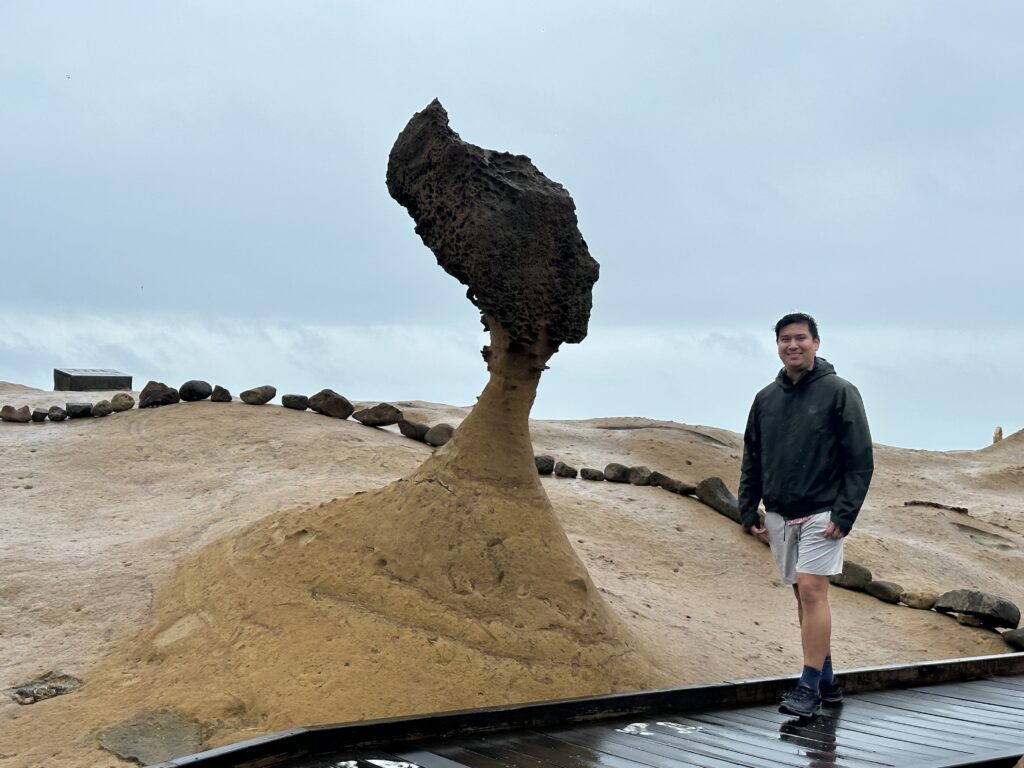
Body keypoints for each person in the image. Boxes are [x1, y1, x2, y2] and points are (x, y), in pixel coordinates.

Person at [738, 312, 873, 718]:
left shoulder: (840, 392)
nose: (792, 345)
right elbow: (753, 456)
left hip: (822, 513)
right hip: (780, 513)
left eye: (800, 338)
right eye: (785, 340)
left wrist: (845, 513)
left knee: (813, 592)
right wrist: (748, 509)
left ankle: (809, 686)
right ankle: (829, 680)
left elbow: (860, 460)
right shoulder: (765, 399)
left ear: (816, 342)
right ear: (777, 345)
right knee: (802, 596)